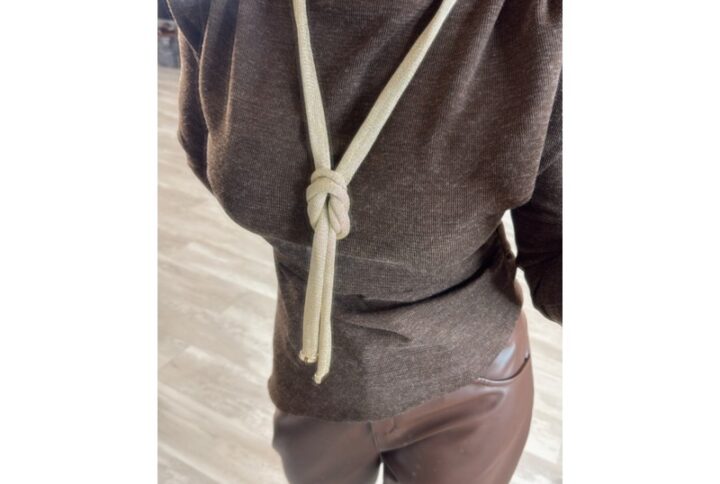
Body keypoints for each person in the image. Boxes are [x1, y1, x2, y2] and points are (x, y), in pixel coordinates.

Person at [167, 0, 562, 482]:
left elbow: (556, 249)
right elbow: (204, 147)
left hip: (469, 384)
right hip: (311, 367)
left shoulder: (539, 23)